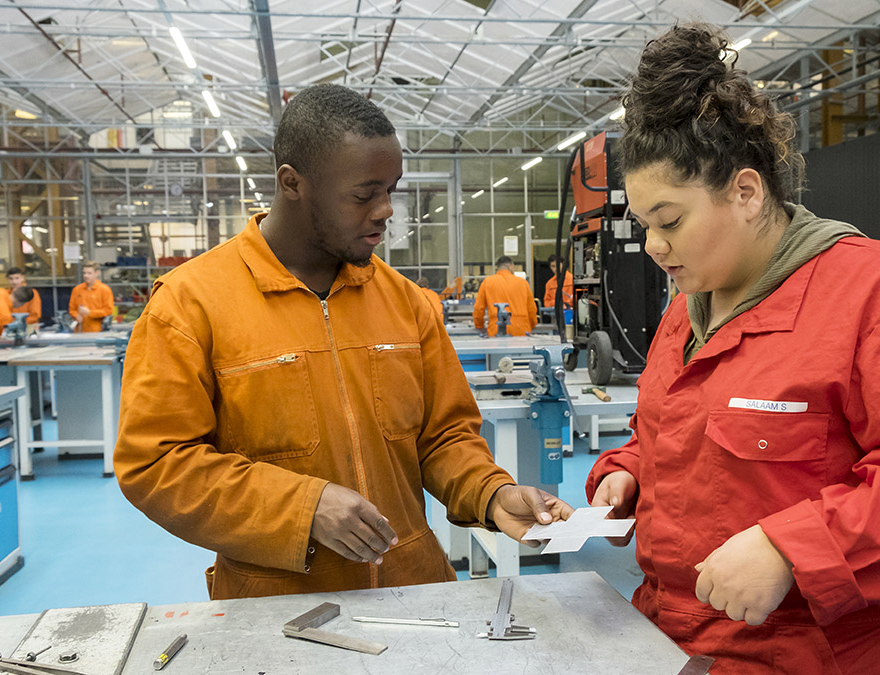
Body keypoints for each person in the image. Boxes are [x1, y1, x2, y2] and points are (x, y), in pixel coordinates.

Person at [585, 23, 880, 675]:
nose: (654, 247)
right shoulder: (689, 309)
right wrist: (627, 473)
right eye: (643, 224)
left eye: (670, 220)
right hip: (692, 645)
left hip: (844, 654)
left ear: (745, 193)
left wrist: (793, 546)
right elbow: (678, 436)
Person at [115, 84, 571, 601]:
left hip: (414, 590)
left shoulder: (405, 303)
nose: (385, 211)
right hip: (276, 608)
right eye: (363, 194)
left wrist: (492, 493)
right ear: (293, 184)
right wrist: (301, 507)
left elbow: (444, 438)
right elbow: (157, 463)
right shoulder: (190, 304)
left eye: (391, 190)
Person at [473, 256, 537, 336]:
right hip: (521, 329)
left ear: (498, 268)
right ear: (510, 266)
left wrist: (479, 326)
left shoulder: (487, 282)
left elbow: (479, 309)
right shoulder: (523, 283)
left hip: (496, 329)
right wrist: (532, 324)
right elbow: (531, 309)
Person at [68, 261, 114, 332]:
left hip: (97, 331)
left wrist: (90, 313)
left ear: (97, 273)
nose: (86, 275)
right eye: (84, 273)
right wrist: (76, 315)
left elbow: (108, 311)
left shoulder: (104, 290)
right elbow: (72, 309)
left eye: (89, 273)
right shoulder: (77, 290)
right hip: (79, 331)